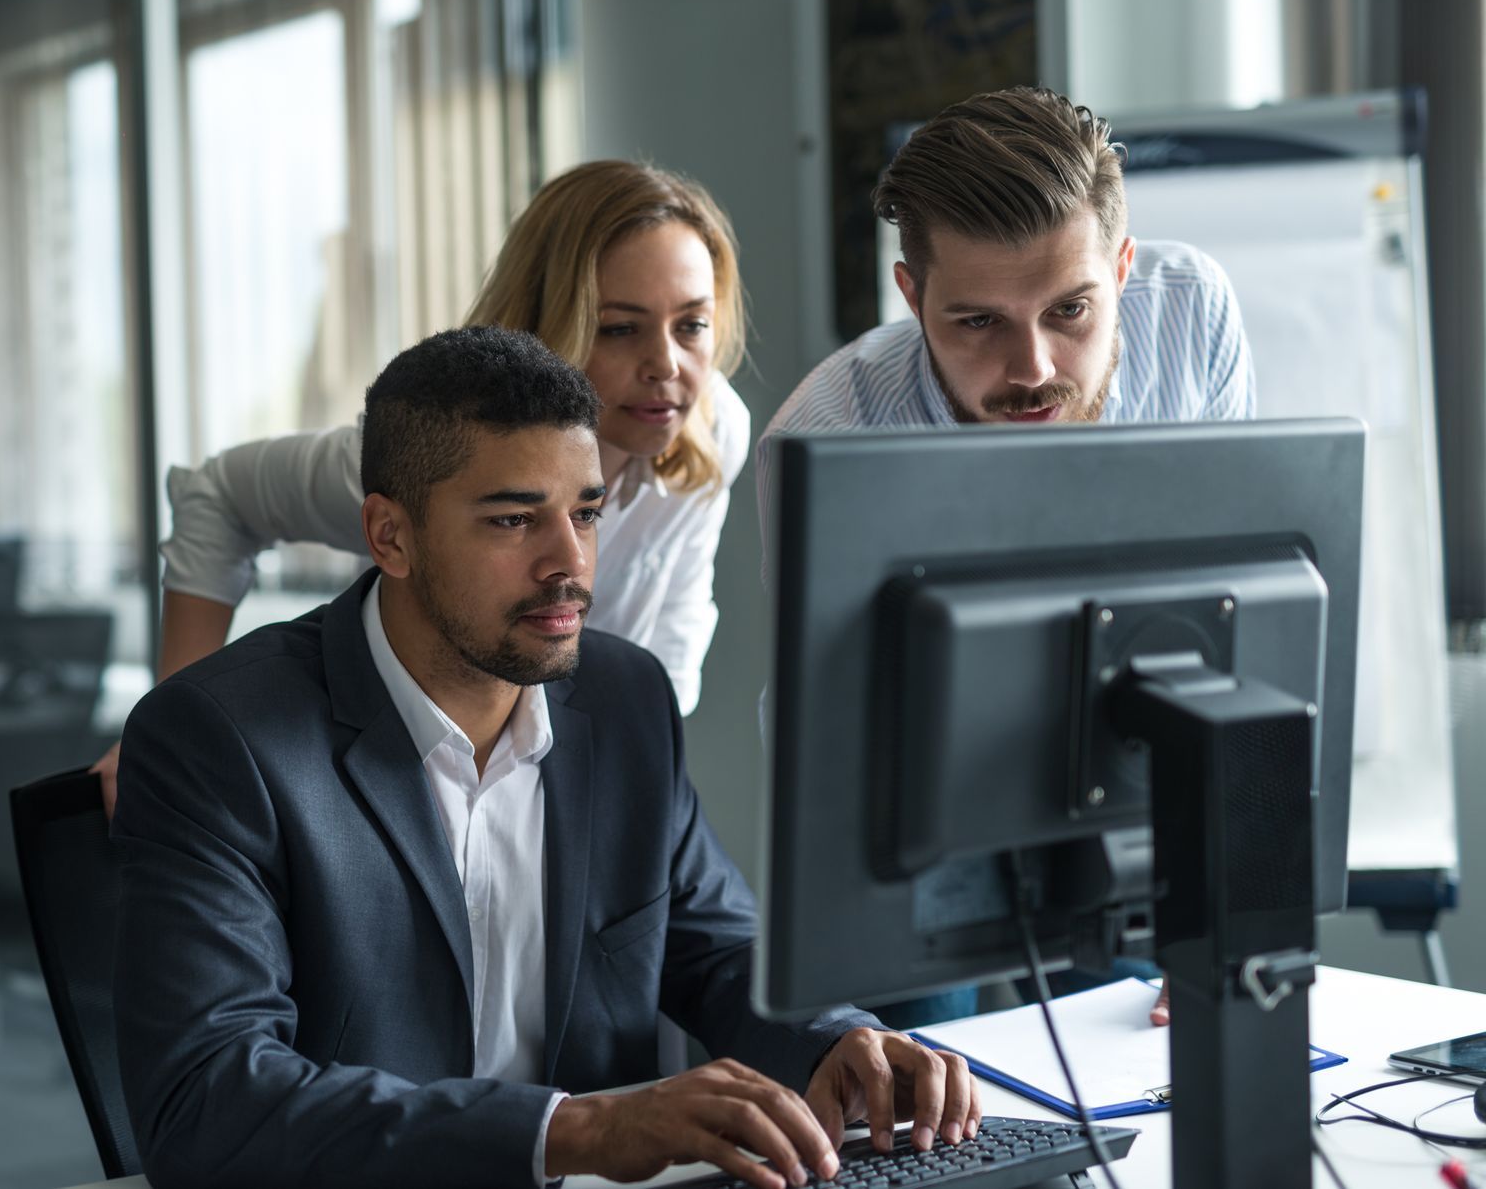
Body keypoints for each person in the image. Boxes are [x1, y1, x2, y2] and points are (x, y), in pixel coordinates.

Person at [111, 328, 981, 1189]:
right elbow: (205, 1103)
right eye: (514, 519)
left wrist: (838, 1040)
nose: (569, 564)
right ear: (390, 536)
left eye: (586, 514)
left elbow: (715, 945)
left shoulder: (623, 698)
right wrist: (573, 1130)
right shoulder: (217, 738)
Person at [760, 85, 1250, 1030]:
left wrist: (1214, 911)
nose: (1032, 367)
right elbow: (828, 735)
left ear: (1122, 266)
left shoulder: (1192, 319)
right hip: (909, 821)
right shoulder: (830, 435)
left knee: (1144, 1111)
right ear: (912, 295)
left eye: (1071, 310)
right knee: (925, 1117)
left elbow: (1224, 622)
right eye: (978, 322)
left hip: (1129, 776)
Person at [93, 160, 752, 814]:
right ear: (555, 320)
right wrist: (165, 729)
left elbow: (663, 661)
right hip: (400, 781)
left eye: (692, 324)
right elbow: (220, 494)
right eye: (620, 328)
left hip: (562, 793)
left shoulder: (712, 430)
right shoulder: (437, 453)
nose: (667, 365)